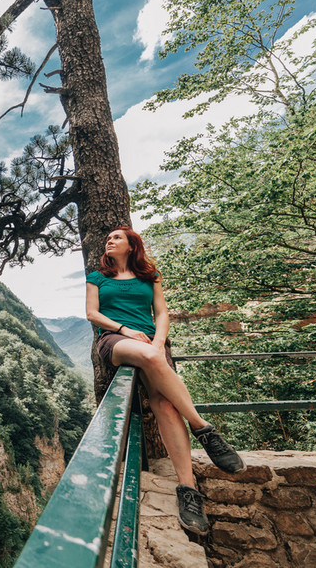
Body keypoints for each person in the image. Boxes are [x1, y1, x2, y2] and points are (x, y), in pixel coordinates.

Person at [85, 226, 245, 536]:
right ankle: (203, 428)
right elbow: (92, 313)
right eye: (108, 238)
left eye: (117, 238)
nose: (110, 240)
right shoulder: (97, 277)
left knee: (166, 406)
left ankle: (188, 491)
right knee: (149, 360)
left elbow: (161, 313)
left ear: (132, 246)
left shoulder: (150, 275)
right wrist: (124, 329)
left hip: (153, 344)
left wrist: (159, 343)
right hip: (116, 341)